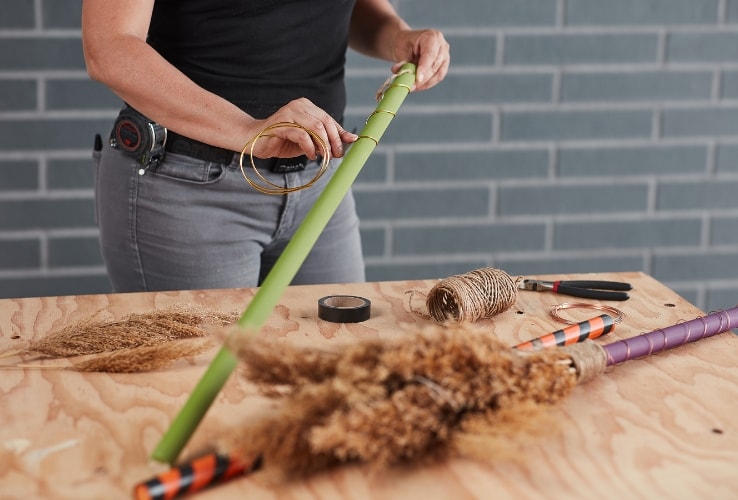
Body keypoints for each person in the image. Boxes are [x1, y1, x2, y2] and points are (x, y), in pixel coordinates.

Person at [81, 0, 450, 293]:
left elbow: (346, 8)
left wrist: (397, 37)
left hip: (320, 187)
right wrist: (249, 130)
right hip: (186, 189)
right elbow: (109, 47)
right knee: (201, 381)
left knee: (336, 370)